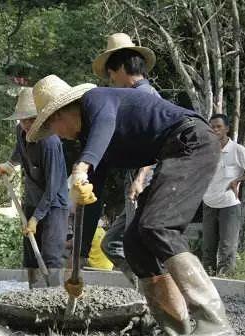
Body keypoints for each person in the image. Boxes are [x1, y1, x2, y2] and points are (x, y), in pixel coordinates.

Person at [26, 74, 236, 336]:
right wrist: (77, 260)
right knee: (134, 242)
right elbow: (92, 203)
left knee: (158, 226)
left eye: (53, 124)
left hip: (191, 141)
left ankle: (214, 320)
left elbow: (105, 123)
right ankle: (175, 326)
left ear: (64, 111)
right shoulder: (91, 140)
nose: (58, 134)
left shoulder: (97, 100)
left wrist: (83, 165)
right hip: (173, 153)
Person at [93, 33, 159, 287]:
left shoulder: (146, 96)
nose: (111, 81)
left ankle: (155, 295)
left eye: (111, 74)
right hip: (133, 183)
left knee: (138, 244)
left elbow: (154, 143)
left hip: (145, 183)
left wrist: (141, 178)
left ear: (120, 68)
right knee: (112, 243)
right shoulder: (134, 96)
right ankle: (144, 288)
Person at [0, 87, 69, 288]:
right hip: (32, 198)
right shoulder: (21, 131)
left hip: (54, 204)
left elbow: (53, 187)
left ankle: (54, 296)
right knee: (30, 254)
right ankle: (34, 295)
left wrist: (37, 218)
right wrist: (9, 165)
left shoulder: (50, 142)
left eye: (31, 119)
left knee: (51, 255)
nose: (27, 124)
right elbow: (19, 152)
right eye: (23, 120)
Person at [202, 114, 245, 276]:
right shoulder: (206, 149)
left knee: (227, 248)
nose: (215, 130)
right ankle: (208, 279)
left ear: (227, 128)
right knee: (208, 247)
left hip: (229, 205)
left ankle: (226, 281)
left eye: (218, 126)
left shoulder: (237, 150)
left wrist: (238, 180)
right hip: (208, 203)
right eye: (212, 127)